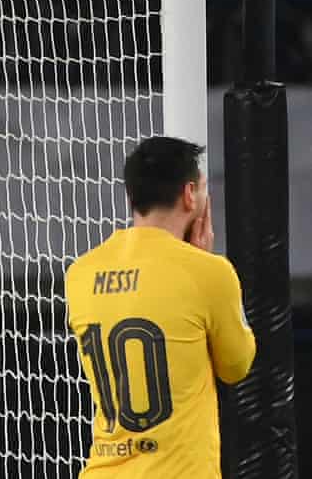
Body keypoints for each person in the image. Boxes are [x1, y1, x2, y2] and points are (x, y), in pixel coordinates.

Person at [65, 136, 256, 478]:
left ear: (131, 197)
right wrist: (202, 262)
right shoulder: (209, 273)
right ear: (188, 195)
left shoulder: (80, 274)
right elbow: (236, 366)